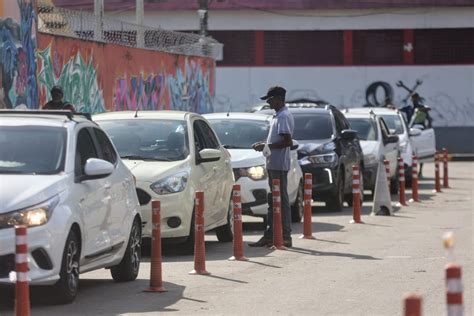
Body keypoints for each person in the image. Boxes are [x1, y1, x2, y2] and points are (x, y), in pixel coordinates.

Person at [249, 86, 295, 248]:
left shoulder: (283, 116)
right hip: (273, 164)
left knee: (280, 200)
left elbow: (287, 141)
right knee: (272, 200)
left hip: (279, 165)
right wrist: (266, 145)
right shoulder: (278, 116)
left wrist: (267, 147)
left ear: (278, 99)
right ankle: (270, 235)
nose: (268, 102)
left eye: (270, 99)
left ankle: (286, 236)